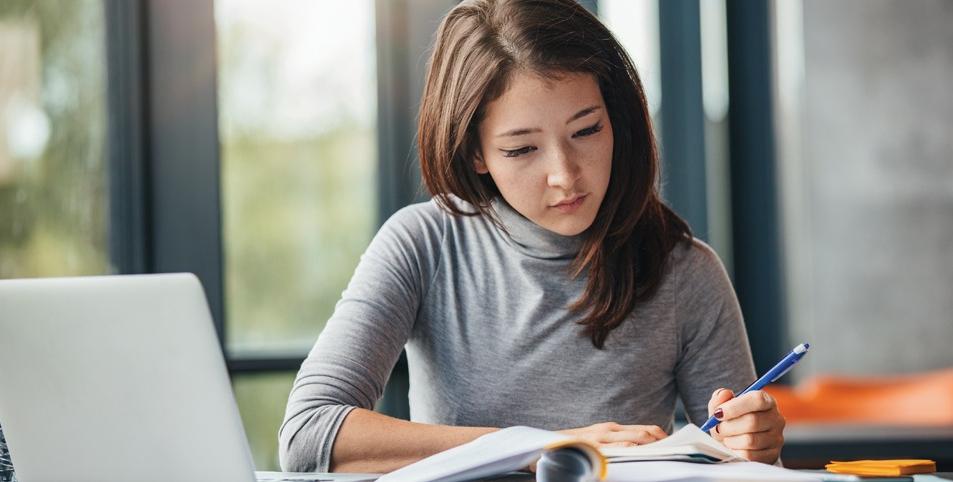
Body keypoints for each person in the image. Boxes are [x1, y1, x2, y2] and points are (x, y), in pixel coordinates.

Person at [279, 0, 785, 473]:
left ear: (617, 120)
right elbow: (307, 435)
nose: (565, 176)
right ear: (476, 154)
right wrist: (543, 447)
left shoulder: (684, 272)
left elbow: (745, 471)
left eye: (586, 131)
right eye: (522, 150)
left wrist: (754, 448)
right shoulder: (424, 244)